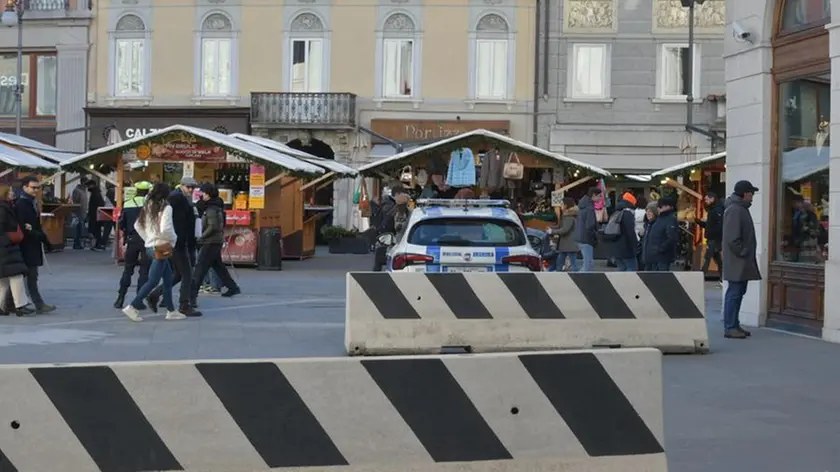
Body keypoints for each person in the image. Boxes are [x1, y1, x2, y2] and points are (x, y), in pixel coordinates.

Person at [122, 182, 185, 322]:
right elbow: (166, 228)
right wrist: (172, 240)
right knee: (153, 280)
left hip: (151, 245)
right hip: (161, 246)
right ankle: (133, 306)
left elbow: (137, 225)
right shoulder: (166, 207)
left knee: (168, 279)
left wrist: (148, 239)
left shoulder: (148, 205)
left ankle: (171, 310)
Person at [147, 177, 201, 316]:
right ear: (182, 185)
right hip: (178, 242)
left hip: (177, 241)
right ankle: (184, 305)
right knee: (187, 274)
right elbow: (179, 222)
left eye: (193, 187)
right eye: (188, 187)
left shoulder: (178, 197)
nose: (191, 190)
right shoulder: (178, 198)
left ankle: (155, 294)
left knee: (178, 274)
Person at [189, 183, 241, 306]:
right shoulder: (214, 205)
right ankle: (232, 287)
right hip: (214, 241)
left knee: (200, 269)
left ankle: (192, 296)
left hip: (210, 241)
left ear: (208, 194)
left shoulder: (211, 209)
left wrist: (201, 237)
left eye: (203, 193)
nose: (201, 195)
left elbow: (213, 227)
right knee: (218, 266)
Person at [722, 180, 761, 339]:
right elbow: (733, 238)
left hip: (739, 260)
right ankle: (730, 326)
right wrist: (743, 251)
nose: (752, 197)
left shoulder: (738, 208)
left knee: (738, 292)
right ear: (745, 194)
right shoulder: (736, 210)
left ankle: (734, 324)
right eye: (751, 193)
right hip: (738, 260)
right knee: (735, 292)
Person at [13, 176, 55, 314]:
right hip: (26, 244)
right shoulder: (22, 204)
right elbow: (22, 225)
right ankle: (38, 304)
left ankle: (18, 303)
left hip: (32, 242)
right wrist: (35, 233)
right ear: (25, 187)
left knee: (28, 276)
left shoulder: (32, 202)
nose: (36, 190)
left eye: (37, 188)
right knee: (30, 275)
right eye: (33, 187)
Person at [114, 181, 152, 309]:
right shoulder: (150, 205)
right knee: (144, 272)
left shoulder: (128, 203)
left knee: (128, 270)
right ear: (148, 192)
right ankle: (138, 300)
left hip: (132, 240)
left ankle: (120, 298)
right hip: (146, 241)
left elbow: (122, 224)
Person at [0, 184, 33, 316]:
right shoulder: (3, 209)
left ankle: (1, 307)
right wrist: (7, 239)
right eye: (11, 191)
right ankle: (21, 305)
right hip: (6, 248)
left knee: (3, 280)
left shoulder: (7, 207)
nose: (13, 193)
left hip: (6, 247)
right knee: (16, 276)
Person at [642, 196, 679, 271]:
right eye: (658, 206)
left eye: (660, 206)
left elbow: (672, 237)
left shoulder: (670, 219)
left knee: (661, 279)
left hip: (662, 258)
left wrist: (661, 249)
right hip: (653, 257)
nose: (658, 208)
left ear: (668, 206)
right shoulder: (659, 218)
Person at [605, 192, 639, 271]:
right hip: (626, 249)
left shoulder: (615, 213)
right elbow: (630, 232)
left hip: (616, 248)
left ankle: (620, 283)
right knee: (632, 269)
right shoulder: (627, 214)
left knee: (621, 270)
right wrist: (635, 245)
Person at [573, 186, 602, 271]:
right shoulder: (590, 208)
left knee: (588, 263)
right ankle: (578, 281)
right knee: (588, 265)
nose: (600, 198)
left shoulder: (583, 205)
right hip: (586, 238)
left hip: (579, 237)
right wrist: (595, 236)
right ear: (593, 195)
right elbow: (590, 225)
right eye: (599, 196)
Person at [695, 191, 724, 276]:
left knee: (707, 257)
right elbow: (710, 225)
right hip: (713, 238)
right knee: (716, 257)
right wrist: (700, 222)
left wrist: (711, 232)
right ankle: (722, 274)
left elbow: (718, 225)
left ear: (712, 199)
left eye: (707, 199)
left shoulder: (717, 210)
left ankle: (702, 274)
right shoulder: (713, 209)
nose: (705, 201)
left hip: (714, 238)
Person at [549, 197, 579, 271]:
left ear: (566, 205)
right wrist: (551, 228)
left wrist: (552, 231)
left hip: (569, 243)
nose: (561, 206)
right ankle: (558, 272)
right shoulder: (568, 215)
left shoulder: (569, 216)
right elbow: (560, 226)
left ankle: (578, 276)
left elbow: (565, 229)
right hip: (567, 243)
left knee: (572, 263)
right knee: (561, 260)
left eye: (562, 204)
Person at [86, 180, 107, 251]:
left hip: (95, 216)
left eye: (88, 185)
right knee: (96, 230)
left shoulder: (95, 194)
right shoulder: (96, 192)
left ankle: (96, 245)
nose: (87, 187)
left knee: (95, 231)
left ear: (92, 185)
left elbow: (96, 205)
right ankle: (97, 244)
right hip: (96, 215)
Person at [71, 178, 89, 250]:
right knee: (78, 229)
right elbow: (75, 201)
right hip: (78, 212)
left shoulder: (84, 191)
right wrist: (75, 212)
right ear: (83, 183)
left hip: (83, 212)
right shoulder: (77, 191)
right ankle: (76, 244)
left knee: (80, 229)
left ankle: (78, 243)